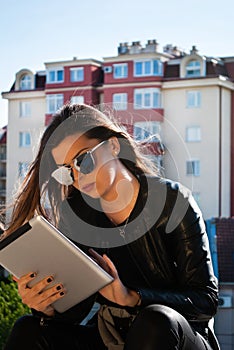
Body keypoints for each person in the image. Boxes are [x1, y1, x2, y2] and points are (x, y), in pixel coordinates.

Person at [2, 103, 220, 350]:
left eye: (83, 160)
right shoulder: (76, 213)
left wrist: (131, 297)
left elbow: (206, 300)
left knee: (156, 320)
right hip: (114, 337)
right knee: (29, 328)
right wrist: (47, 306)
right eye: (66, 171)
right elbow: (75, 313)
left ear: (114, 146)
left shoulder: (173, 201)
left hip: (182, 337)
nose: (77, 176)